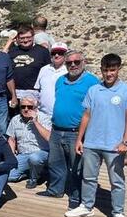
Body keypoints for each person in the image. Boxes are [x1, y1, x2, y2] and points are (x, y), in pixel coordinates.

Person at [66, 53, 127, 217]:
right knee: (89, 177)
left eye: (112, 70)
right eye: (106, 70)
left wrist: (125, 141)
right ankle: (86, 206)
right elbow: (86, 115)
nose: (109, 74)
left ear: (118, 70)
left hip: (115, 145)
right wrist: (80, 139)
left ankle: (118, 213)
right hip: (92, 142)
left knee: (117, 181)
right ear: (101, 70)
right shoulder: (94, 90)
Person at [41, 50, 99, 207]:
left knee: (77, 167)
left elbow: (95, 109)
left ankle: (76, 196)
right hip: (56, 129)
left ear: (83, 62)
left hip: (76, 132)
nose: (73, 65)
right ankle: (55, 190)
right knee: (55, 162)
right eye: (69, 62)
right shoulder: (60, 80)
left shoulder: (92, 82)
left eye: (76, 62)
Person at [6, 97, 51, 188]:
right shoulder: (15, 119)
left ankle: (34, 179)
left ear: (35, 108)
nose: (26, 109)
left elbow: (49, 137)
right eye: (23, 107)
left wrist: (35, 122)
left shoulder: (44, 118)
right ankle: (30, 172)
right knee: (9, 176)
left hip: (40, 152)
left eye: (29, 107)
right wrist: (11, 155)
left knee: (34, 158)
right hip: (23, 154)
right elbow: (11, 139)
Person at [7, 26, 51, 103]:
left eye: (28, 37)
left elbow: (48, 71)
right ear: (17, 39)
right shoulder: (12, 52)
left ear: (33, 37)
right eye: (22, 38)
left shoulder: (43, 51)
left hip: (35, 93)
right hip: (15, 92)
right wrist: (9, 42)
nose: (25, 40)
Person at [34, 43, 69, 120]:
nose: (56, 55)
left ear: (66, 55)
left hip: (61, 115)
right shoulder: (44, 69)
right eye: (53, 53)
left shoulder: (69, 71)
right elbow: (37, 90)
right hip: (42, 114)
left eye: (60, 53)